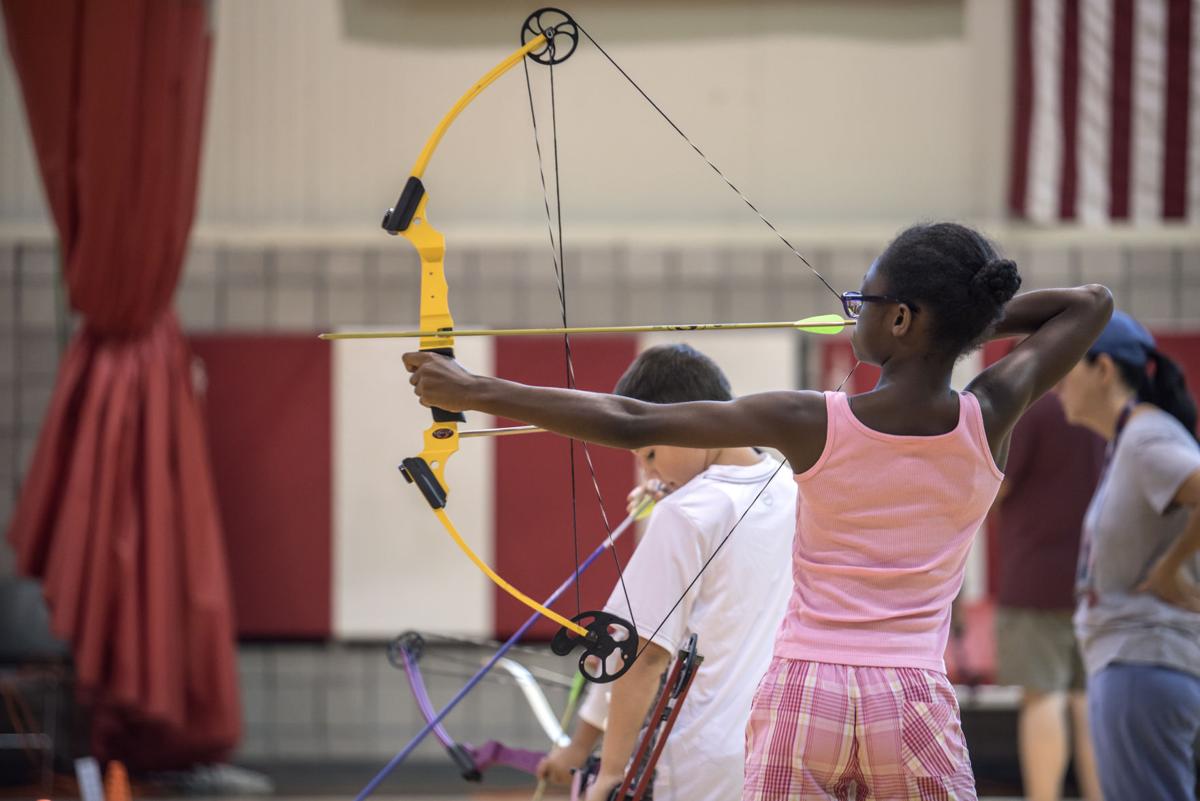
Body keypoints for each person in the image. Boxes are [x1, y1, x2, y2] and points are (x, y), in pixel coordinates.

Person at [404, 222, 1113, 800]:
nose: (854, 307)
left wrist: (475, 390)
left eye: (866, 298)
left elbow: (629, 419)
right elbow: (1091, 304)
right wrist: (957, 324)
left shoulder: (813, 420)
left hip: (805, 694)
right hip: (912, 698)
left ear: (901, 317)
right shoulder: (989, 414)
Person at [534, 343, 796, 801]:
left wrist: (611, 774)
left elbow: (640, 655)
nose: (647, 471)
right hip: (790, 748)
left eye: (650, 453)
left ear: (686, 422)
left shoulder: (685, 513)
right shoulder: (794, 488)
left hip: (704, 763)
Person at [1056, 310, 1200, 801]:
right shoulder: (1130, 440)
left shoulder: (1146, 438)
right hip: (1129, 662)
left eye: (1067, 368)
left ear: (1104, 370)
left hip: (1144, 659)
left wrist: (1171, 567)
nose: (1056, 386)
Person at [991, 391, 1104, 801]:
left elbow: (995, 487)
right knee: (1090, 700)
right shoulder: (1106, 405)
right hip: (1100, 578)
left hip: (1035, 577)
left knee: (1043, 697)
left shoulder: (1033, 410)